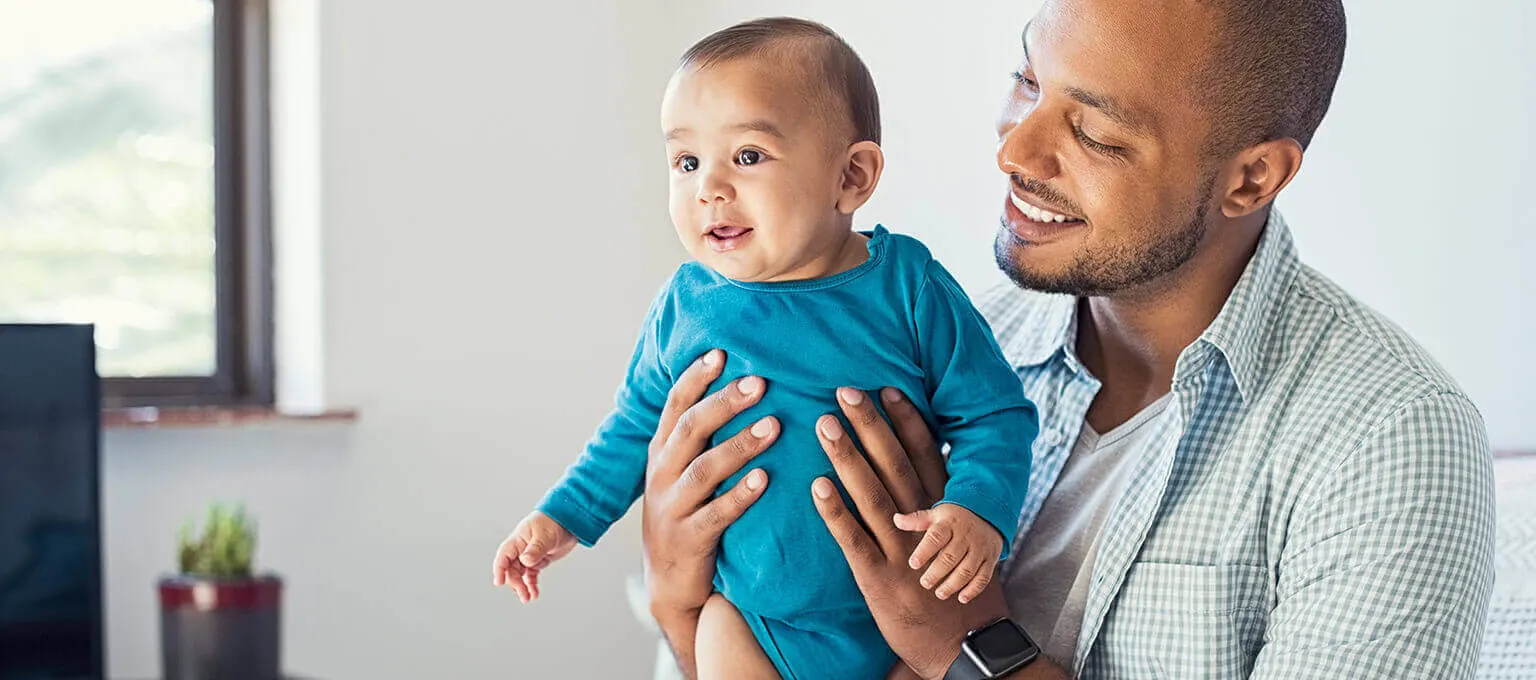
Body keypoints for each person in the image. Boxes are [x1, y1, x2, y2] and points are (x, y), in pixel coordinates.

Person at [642, 0, 1496, 678]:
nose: (1016, 150)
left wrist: (967, 648)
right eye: (1026, 79)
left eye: (1095, 132)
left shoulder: (1390, 439)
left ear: (1252, 177)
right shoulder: (937, 347)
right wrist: (682, 600)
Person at [490, 17, 1041, 680]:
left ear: (852, 177)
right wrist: (562, 517)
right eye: (687, 162)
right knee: (716, 627)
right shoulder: (686, 304)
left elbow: (994, 417)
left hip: (905, 627)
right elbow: (636, 427)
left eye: (747, 156)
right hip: (752, 623)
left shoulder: (908, 286)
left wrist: (977, 510)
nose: (708, 188)